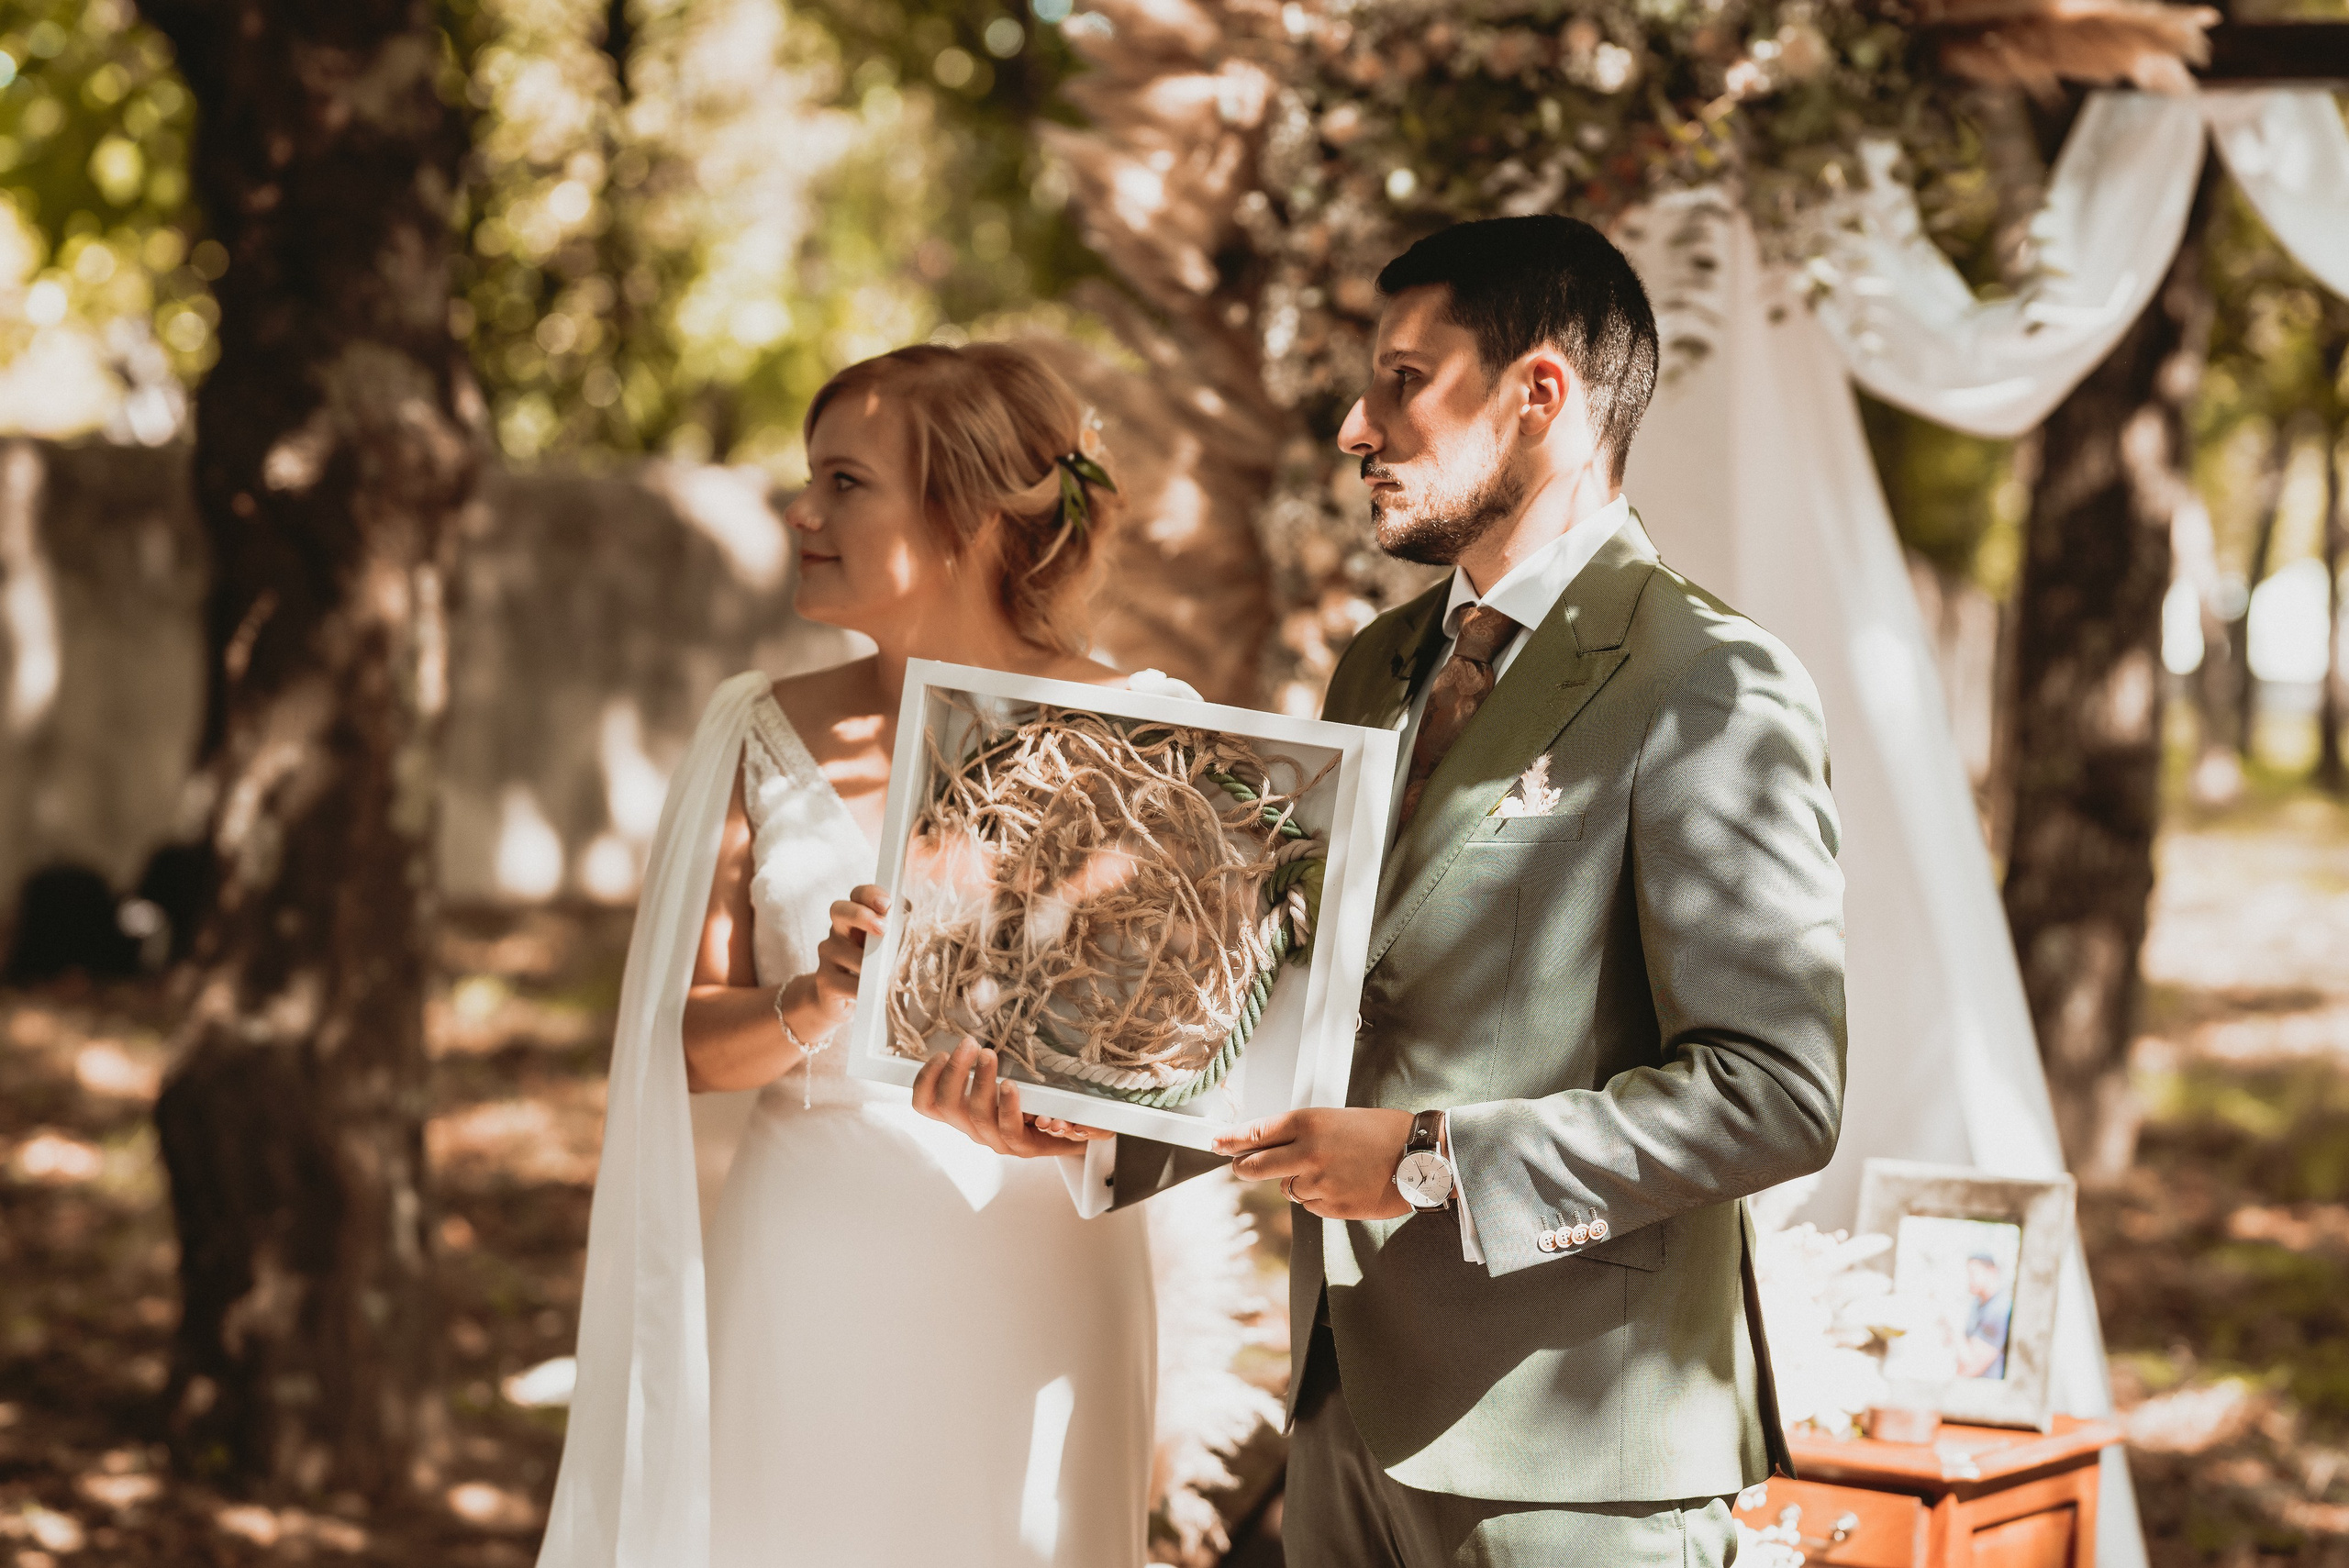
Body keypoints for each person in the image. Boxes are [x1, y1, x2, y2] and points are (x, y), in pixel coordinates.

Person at [1159, 214, 1842, 1565]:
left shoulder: (1709, 678)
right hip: (1344, 1415)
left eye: (1404, 379)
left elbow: (1776, 1091)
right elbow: (1314, 994)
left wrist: (1430, 1159)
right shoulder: (1376, 665)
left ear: (1541, 395)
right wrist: (1088, 1092)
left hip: (1574, 1458)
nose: (1357, 426)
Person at [538, 342, 1161, 1568]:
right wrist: (817, 998)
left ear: (969, 512)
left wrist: (1075, 1122)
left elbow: (1194, 1074)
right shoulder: (757, 725)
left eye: (844, 481)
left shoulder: (1143, 726)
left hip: (1035, 1269)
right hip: (805, 1264)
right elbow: (681, 1045)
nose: (801, 511)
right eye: (807, 478)